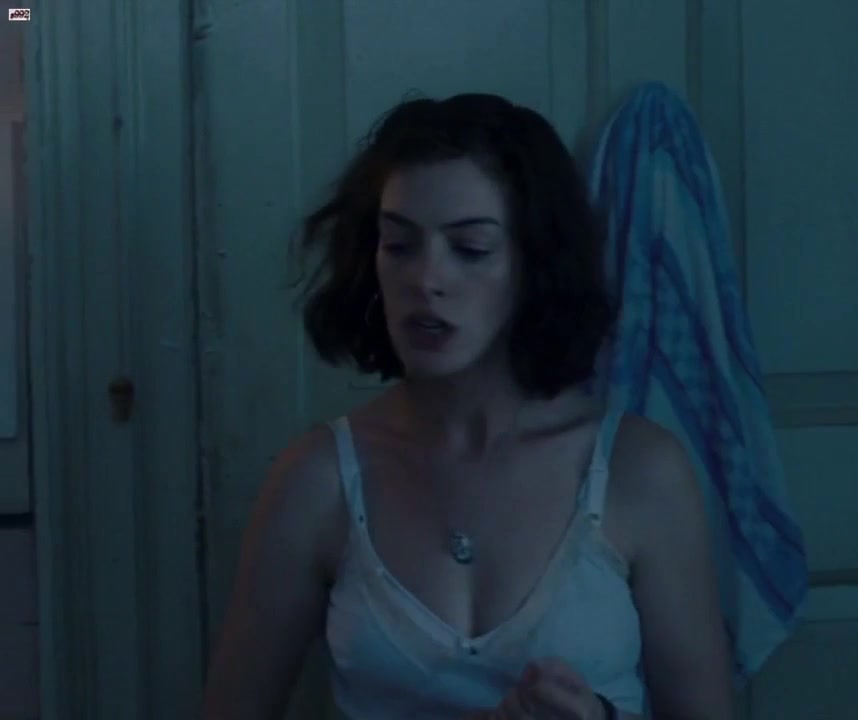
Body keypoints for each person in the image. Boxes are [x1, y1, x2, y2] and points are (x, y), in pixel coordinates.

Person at [201, 93, 736, 720]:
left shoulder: (639, 471)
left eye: (471, 249)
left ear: (534, 263)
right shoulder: (317, 480)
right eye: (399, 245)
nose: (426, 280)